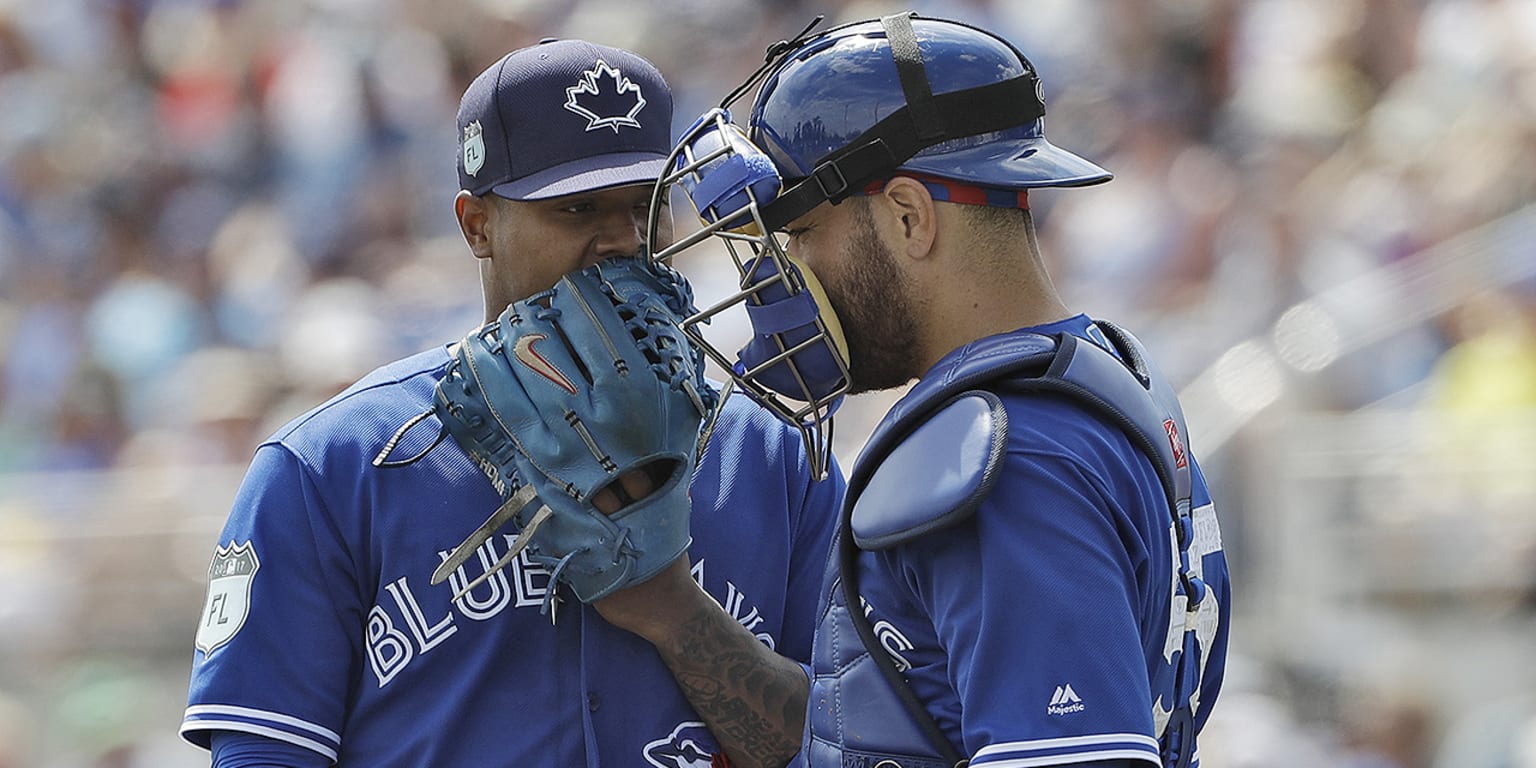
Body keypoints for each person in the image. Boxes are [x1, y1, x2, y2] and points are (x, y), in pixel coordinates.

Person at [180, 39, 844, 768]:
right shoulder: (333, 466)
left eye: (646, 208)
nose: (622, 241)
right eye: (579, 208)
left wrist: (672, 611)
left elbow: (856, 746)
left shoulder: (770, 452)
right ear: (476, 225)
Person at [657, 13, 1233, 768]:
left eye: (803, 236)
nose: (785, 273)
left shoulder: (1004, 459)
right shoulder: (1106, 369)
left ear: (908, 216)